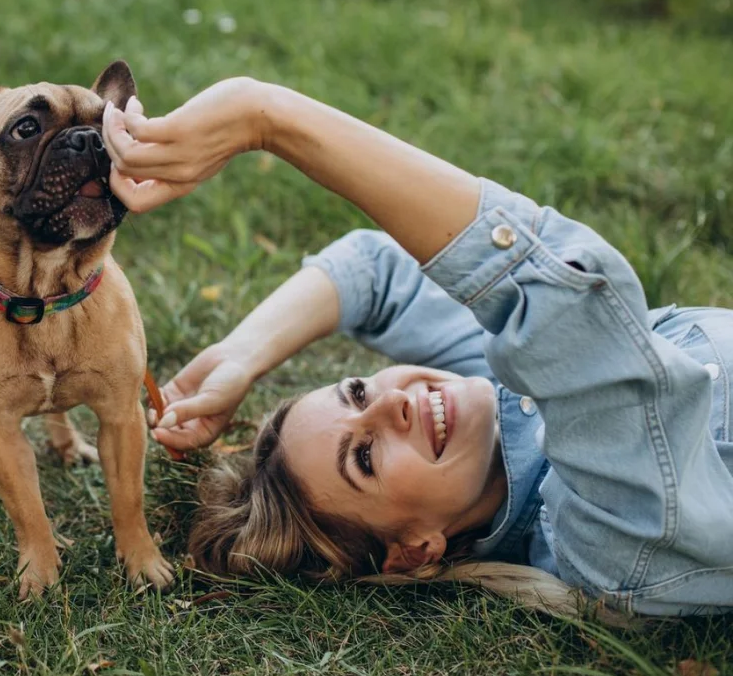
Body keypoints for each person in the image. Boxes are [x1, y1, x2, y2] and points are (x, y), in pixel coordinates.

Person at [98, 79, 733, 618]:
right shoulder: (604, 541)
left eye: (357, 391)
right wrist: (266, 118)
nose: (392, 405)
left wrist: (241, 354)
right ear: (416, 550)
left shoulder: (497, 404)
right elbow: (571, 316)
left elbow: (372, 272)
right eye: (367, 457)